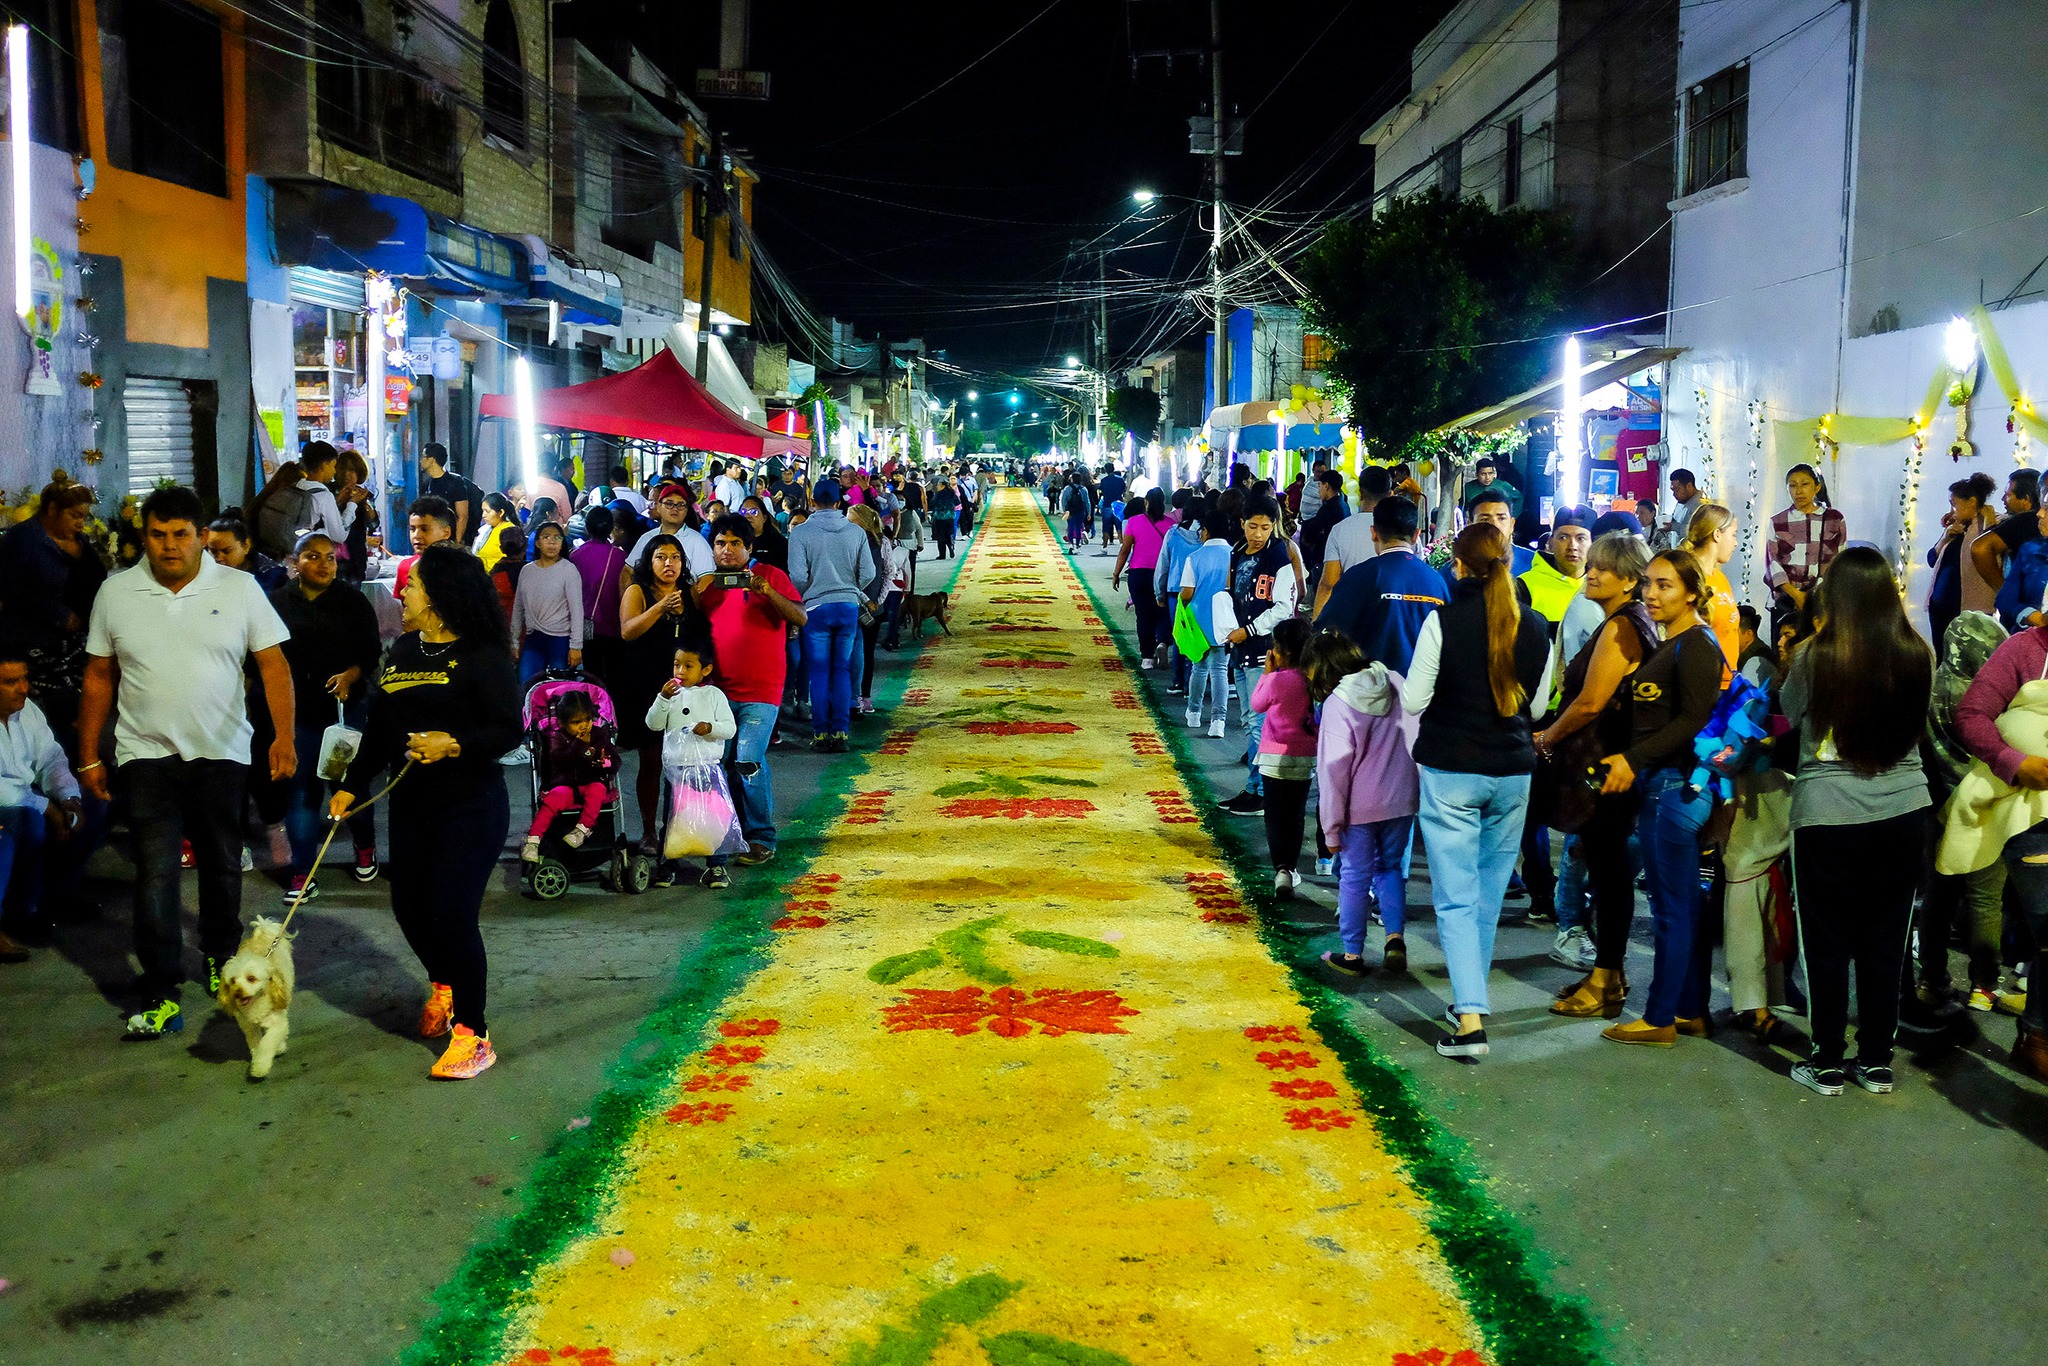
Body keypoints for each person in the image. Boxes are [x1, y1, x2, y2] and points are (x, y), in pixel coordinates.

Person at [77, 485, 296, 1041]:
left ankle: (219, 955)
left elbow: (273, 666)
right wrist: (86, 756)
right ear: (143, 536)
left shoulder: (241, 588)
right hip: (145, 754)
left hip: (222, 751)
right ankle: (159, 985)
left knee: (223, 861)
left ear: (202, 536)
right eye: (158, 534)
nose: (170, 546)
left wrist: (284, 738)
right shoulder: (116, 593)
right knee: (156, 870)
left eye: (181, 535)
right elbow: (99, 676)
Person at [333, 545, 520, 1079]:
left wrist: (453, 743)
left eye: (411, 586)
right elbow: (380, 729)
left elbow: (509, 728)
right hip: (411, 804)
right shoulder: (406, 650)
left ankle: (474, 1033)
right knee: (410, 909)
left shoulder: (483, 654)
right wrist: (350, 783)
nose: (401, 592)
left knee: (451, 913)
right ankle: (444, 981)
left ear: (437, 598)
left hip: (471, 805)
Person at [1779, 546, 1933, 1094]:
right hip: (1903, 810)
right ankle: (1875, 1061)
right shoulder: (1918, 652)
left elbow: (1790, 711)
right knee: (1886, 938)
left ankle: (1825, 1061)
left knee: (1825, 939)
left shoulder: (1813, 655)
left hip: (1827, 812)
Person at [1402, 522, 1553, 1060]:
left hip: (1450, 770)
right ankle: (1471, 998)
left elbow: (1415, 699)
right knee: (1486, 896)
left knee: (1456, 897)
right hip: (1513, 773)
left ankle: (1470, 1021)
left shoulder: (1442, 621)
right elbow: (1536, 710)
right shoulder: (1534, 625)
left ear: (1459, 565)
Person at [1592, 549, 1726, 1048]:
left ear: (1692, 591)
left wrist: (1633, 758)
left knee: (1670, 909)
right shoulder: (1677, 641)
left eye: (1665, 585)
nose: (1651, 593)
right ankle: (1690, 1009)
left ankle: (1660, 1016)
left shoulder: (1694, 644)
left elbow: (1694, 719)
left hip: (1674, 787)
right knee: (1684, 904)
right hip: (1672, 786)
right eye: (1648, 583)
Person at [1537, 533, 1657, 1004]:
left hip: (1604, 767)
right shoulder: (1629, 621)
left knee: (1608, 875)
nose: (1590, 572)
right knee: (1607, 874)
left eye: (1602, 568)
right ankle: (1608, 975)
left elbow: (1590, 703)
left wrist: (1546, 737)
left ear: (1629, 580)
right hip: (1608, 763)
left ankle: (1606, 978)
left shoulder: (1621, 627)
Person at [1952, 608, 2048, 1082]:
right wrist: (2014, 761)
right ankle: (2036, 1036)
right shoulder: (2024, 650)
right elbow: (1970, 716)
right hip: (2028, 814)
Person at [268, 532, 382, 901]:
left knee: (349, 785)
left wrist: (350, 675)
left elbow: (370, 652)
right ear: (295, 562)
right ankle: (302, 871)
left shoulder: (352, 601)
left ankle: (364, 846)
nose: (323, 564)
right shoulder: (278, 603)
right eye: (313, 557)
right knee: (302, 793)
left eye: (330, 558)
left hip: (345, 714)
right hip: (297, 714)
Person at [695, 514, 804, 869]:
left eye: (735, 544)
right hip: (718, 691)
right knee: (720, 763)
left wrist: (768, 592)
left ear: (749, 547)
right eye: (720, 543)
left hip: (762, 689)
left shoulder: (771, 576)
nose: (727, 551)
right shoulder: (706, 584)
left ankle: (761, 837)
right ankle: (729, 831)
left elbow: (800, 618)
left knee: (749, 761)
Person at [1306, 628, 1417, 975]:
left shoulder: (1338, 704)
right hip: (1401, 800)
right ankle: (1394, 937)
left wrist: (1331, 828)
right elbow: (1417, 737)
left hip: (1359, 807)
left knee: (1354, 876)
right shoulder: (1396, 681)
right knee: (1391, 869)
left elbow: (1334, 770)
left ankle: (1352, 953)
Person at [0, 479, 108, 751]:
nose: (81, 522)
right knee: (65, 711)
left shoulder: (79, 540)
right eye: (74, 515)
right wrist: (58, 615)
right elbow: (9, 589)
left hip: (75, 642)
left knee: (93, 701)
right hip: (34, 643)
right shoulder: (23, 540)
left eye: (84, 516)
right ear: (51, 510)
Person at [1213, 497, 1300, 816]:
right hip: (1240, 646)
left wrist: (1248, 630)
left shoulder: (1279, 555)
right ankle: (1255, 787)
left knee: (1258, 722)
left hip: (1264, 650)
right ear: (1242, 523)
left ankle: (1260, 790)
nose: (1258, 533)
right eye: (1253, 526)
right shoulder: (1237, 552)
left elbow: (1283, 608)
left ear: (1274, 525)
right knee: (1252, 720)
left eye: (1265, 527)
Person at [0, 647, 83, 963]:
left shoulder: (27, 709)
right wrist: (43, 805)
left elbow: (50, 757)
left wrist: (67, 797)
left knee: (96, 805)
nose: (24, 688)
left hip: (27, 797)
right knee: (30, 820)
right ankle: (24, 911)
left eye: (24, 678)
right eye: (10, 682)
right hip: (9, 804)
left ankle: (56, 894)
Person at [617, 536, 696, 852]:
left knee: (682, 762)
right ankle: (649, 831)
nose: (669, 563)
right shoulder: (637, 591)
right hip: (645, 685)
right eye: (661, 557)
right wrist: (660, 607)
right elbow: (628, 630)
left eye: (675, 557)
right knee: (651, 761)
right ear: (649, 562)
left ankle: (681, 829)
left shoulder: (689, 594)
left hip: (681, 686)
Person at [788, 479, 878, 754]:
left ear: (812, 502)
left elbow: (798, 576)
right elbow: (869, 573)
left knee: (818, 671)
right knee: (841, 669)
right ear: (840, 502)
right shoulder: (855, 532)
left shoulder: (801, 533)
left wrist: (811, 593)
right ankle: (841, 731)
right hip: (848, 606)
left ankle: (821, 732)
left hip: (816, 608)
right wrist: (851, 589)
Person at [1313, 496, 1446, 675]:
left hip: (1370, 691)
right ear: (1416, 535)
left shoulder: (1360, 576)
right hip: (1426, 693)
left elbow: (1329, 628)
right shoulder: (1437, 582)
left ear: (1374, 533)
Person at [646, 634, 739, 888]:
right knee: (673, 817)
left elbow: (729, 728)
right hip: (677, 769)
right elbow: (653, 724)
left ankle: (717, 866)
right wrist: (663, 699)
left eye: (688, 666)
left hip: (707, 768)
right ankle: (667, 865)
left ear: (705, 669)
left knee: (713, 818)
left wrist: (710, 727)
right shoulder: (669, 694)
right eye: (677, 664)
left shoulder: (714, 695)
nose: (680, 671)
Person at [1249, 618, 1317, 896]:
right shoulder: (1313, 678)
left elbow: (1256, 704)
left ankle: (1281, 871)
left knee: (1275, 816)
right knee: (1296, 814)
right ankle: (1292, 866)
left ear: (1282, 650)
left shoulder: (1277, 680)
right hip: (1305, 757)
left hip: (1273, 758)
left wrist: (1266, 673)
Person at [522, 691, 619, 862]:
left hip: (591, 781)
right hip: (564, 784)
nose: (584, 726)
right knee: (552, 801)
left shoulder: (599, 735)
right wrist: (580, 743)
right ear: (562, 722)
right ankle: (533, 841)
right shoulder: (555, 737)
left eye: (587, 719)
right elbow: (562, 760)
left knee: (598, 789)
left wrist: (606, 763)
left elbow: (616, 761)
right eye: (576, 722)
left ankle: (582, 829)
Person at [1927, 472, 1998, 659]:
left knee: (1968, 662)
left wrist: (1989, 524)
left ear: (1972, 501)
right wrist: (1945, 538)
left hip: (1971, 610)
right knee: (1942, 658)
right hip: (1940, 607)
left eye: (1954, 504)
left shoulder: (1995, 522)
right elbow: (1931, 560)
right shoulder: (1955, 527)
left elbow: (1994, 556)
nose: (1952, 510)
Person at [1178, 510, 1236, 736]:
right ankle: (1218, 722)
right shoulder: (1234, 554)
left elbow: (1187, 592)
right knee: (1220, 670)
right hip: (1225, 619)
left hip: (1199, 619)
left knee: (1199, 668)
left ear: (1206, 530)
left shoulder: (1195, 557)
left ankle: (1193, 713)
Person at [1764, 463, 1845, 623]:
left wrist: (1811, 596)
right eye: (1792, 485)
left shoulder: (1834, 519)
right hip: (1785, 601)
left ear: (1817, 487)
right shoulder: (1778, 521)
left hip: (1821, 599)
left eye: (1805, 484)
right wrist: (1795, 594)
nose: (1799, 491)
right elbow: (1772, 562)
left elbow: (1838, 559)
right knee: (1785, 646)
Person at [510, 521, 584, 685]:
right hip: (534, 638)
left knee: (559, 690)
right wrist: (514, 641)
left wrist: (576, 646)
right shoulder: (527, 571)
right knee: (527, 685)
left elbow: (577, 611)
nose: (552, 542)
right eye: (546, 537)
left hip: (561, 640)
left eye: (557, 538)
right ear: (537, 542)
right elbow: (518, 608)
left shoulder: (569, 570)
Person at [1315, 467, 1393, 618]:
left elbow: (1328, 584)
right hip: (1392, 616)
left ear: (1360, 493)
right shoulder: (1402, 531)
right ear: (1390, 494)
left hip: (1350, 614)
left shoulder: (1340, 530)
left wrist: (1317, 625)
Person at [1113, 488, 1174, 667]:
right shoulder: (1171, 525)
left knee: (1143, 615)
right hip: (1162, 574)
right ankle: (1162, 641)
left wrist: (1116, 573)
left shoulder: (1134, 522)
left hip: (1139, 573)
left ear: (1146, 503)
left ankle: (1147, 657)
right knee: (1162, 611)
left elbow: (1125, 550)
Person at [570, 505, 629, 686]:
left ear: (587, 527)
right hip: (615, 626)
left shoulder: (575, 556)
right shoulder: (621, 557)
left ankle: (593, 707)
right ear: (611, 528)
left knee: (591, 674)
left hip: (586, 626)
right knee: (614, 675)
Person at [1680, 502, 1742, 669]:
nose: (1736, 543)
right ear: (1717, 535)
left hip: (1727, 680)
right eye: (1733, 534)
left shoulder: (1720, 578)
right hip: (1702, 678)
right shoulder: (1687, 578)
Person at [1968, 467, 2040, 601]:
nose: (2003, 499)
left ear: (2025, 498)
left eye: (2008, 495)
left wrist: (2004, 592)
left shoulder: (2024, 521)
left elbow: (1980, 548)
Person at [845, 503, 889, 714]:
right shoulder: (845, 541)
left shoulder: (881, 542)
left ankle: (865, 695)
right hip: (849, 602)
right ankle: (849, 696)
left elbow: (888, 573)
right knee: (849, 652)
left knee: (867, 652)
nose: (847, 524)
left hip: (872, 605)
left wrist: (879, 600)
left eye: (851, 520)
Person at [630, 482, 715, 581]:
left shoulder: (697, 541)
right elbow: (628, 571)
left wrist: (690, 596)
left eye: (681, 505)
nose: (675, 508)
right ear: (659, 507)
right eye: (669, 504)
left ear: (686, 511)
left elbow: (707, 578)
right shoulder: (647, 538)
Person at [417, 443, 480, 546]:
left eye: (423, 457)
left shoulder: (455, 482)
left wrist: (456, 542)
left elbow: (462, 516)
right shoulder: (426, 484)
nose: (421, 460)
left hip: (450, 539)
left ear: (432, 460)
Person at [206, 516, 289, 593]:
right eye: (213, 551)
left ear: (246, 546)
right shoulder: (203, 570)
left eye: (227, 551)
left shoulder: (272, 577)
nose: (219, 558)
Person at [332, 448, 380, 583]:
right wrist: (339, 501)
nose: (348, 475)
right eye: (344, 470)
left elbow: (374, 524)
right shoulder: (329, 493)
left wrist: (365, 504)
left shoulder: (364, 494)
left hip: (357, 554)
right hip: (335, 555)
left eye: (352, 470)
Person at [396, 496, 458, 594]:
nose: (416, 535)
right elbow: (405, 607)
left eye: (424, 529)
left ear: (446, 533)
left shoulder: (460, 568)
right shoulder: (405, 567)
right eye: (412, 529)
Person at [1651, 468, 1704, 553]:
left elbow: (1696, 533)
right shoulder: (1681, 501)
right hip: (1676, 552)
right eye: (1673, 490)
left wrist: (1673, 527)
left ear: (1689, 486)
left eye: (1677, 490)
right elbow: (1676, 518)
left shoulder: (1700, 505)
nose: (1674, 494)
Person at [488, 524, 526, 621]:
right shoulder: (531, 570)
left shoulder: (495, 571)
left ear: (501, 548)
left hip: (502, 621)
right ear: (526, 546)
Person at [474, 492, 517, 571]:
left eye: (487, 511)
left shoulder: (509, 531)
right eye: (483, 511)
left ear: (501, 513)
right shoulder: (486, 529)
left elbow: (512, 562)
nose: (483, 515)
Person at [1061, 475, 1092, 553]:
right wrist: (1089, 513)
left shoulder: (1067, 488)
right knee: (1079, 528)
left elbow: (1063, 500)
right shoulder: (1083, 489)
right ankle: (1077, 545)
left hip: (1070, 511)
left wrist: (1064, 510)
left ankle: (1071, 544)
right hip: (1080, 511)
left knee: (1070, 527)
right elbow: (1087, 502)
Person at [930, 477, 959, 559]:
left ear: (943, 485)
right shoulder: (951, 492)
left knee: (940, 536)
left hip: (940, 517)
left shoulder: (938, 494)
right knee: (949, 533)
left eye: (938, 485)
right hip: (950, 516)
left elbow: (932, 504)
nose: (937, 486)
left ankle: (942, 555)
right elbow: (957, 502)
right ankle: (951, 545)